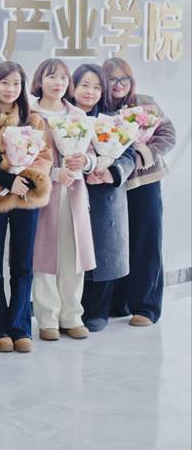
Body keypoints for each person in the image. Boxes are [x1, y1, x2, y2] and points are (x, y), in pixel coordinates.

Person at [0, 61, 53, 353]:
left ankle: (21, 326)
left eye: (15, 83)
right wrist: (6, 179)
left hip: (26, 198)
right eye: (4, 83)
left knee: (23, 265)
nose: (10, 89)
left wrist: (25, 178)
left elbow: (45, 156)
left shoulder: (33, 120)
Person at [103, 57, 176, 326]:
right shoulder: (98, 108)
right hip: (112, 184)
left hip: (145, 183)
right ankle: (118, 303)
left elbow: (168, 135)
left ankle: (146, 307)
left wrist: (143, 154)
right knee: (115, 242)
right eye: (112, 79)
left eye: (124, 79)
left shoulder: (145, 103)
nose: (119, 84)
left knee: (146, 240)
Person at [30, 58, 96, 341]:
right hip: (44, 193)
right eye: (51, 77)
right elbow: (26, 157)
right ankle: (47, 319)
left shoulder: (78, 115)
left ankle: (72, 316)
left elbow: (92, 153)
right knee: (45, 256)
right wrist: (55, 173)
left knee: (73, 254)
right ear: (39, 80)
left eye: (62, 78)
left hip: (74, 193)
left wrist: (86, 162)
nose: (57, 83)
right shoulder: (30, 114)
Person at [68, 63, 135, 332]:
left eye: (97, 87)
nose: (90, 91)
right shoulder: (62, 118)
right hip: (70, 192)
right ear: (73, 86)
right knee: (70, 252)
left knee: (103, 252)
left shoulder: (111, 121)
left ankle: (97, 311)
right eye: (84, 85)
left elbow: (129, 154)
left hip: (104, 194)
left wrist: (111, 172)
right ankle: (68, 312)